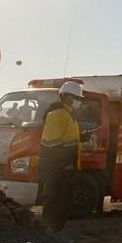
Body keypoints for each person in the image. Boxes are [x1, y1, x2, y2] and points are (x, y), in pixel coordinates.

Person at [38, 81, 83, 231]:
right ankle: (48, 234)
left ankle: (53, 234)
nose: (78, 101)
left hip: (63, 169)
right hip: (57, 169)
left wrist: (82, 137)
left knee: (62, 204)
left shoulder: (67, 115)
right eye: (76, 97)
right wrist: (65, 164)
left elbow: (66, 138)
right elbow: (52, 143)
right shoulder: (58, 114)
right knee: (54, 203)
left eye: (79, 98)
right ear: (66, 96)